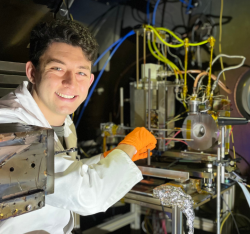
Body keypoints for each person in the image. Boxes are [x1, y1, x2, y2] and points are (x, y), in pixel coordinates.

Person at [0, 20, 156, 233]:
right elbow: (88, 196)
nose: (71, 82)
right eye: (57, 68)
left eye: (81, 72)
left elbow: (61, 177)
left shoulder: (63, 122)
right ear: (32, 72)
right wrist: (127, 149)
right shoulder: (8, 126)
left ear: (91, 80)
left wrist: (106, 159)